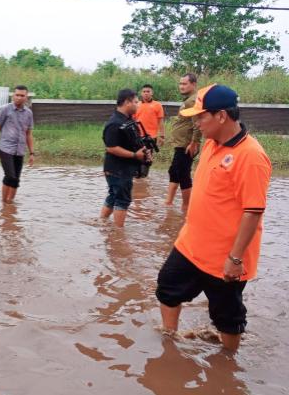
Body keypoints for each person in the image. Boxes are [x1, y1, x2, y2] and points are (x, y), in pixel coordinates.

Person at [156, 84, 271, 352]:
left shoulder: (251, 156)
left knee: (227, 318)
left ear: (221, 116)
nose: (197, 122)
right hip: (191, 245)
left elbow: (253, 211)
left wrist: (235, 258)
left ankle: (227, 364)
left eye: (201, 116)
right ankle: (169, 343)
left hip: (225, 256)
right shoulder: (210, 144)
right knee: (167, 289)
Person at [100, 89, 150, 227]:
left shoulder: (127, 120)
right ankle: (118, 235)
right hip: (118, 169)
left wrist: (143, 152)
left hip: (122, 168)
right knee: (122, 199)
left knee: (113, 196)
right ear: (127, 102)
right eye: (135, 102)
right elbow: (111, 147)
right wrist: (135, 155)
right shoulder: (114, 123)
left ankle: (102, 224)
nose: (138, 104)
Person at [0, 85, 35, 203]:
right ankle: (4, 202)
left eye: (22, 95)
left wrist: (32, 153)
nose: (19, 98)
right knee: (10, 176)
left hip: (20, 150)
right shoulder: (5, 109)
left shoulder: (28, 113)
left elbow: (28, 133)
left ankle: (10, 204)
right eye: (17, 95)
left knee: (16, 179)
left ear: (26, 97)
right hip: (5, 149)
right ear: (13, 96)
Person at [165, 73, 202, 210]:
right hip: (181, 143)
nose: (181, 86)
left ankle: (187, 206)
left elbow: (197, 124)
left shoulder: (192, 101)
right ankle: (168, 202)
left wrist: (194, 143)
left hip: (186, 145)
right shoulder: (189, 100)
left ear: (193, 84)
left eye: (184, 84)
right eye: (180, 84)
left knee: (183, 173)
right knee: (174, 171)